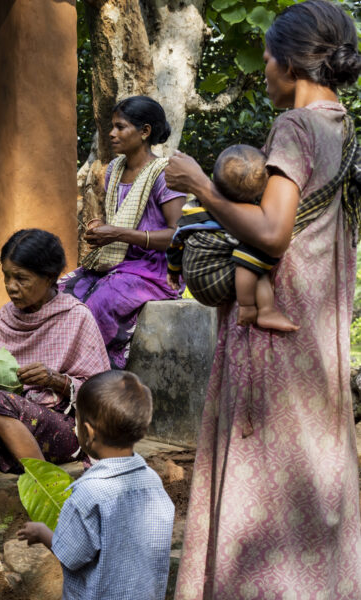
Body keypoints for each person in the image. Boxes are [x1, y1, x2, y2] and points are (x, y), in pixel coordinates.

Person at [165, 1, 361, 596]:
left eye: (270, 59)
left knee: (264, 465)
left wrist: (200, 185)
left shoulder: (296, 127)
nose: (267, 70)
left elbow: (273, 232)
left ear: (291, 62)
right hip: (317, 331)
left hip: (276, 325)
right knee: (315, 462)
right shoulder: (343, 128)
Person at [0, 229, 110, 562]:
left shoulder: (76, 317)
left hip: (64, 430)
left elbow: (101, 395)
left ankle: (50, 500)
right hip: (10, 420)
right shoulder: (6, 317)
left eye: (21, 278)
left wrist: (57, 381)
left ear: (49, 277)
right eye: (6, 277)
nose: (10, 286)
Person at [16, 370, 174, 600]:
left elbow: (71, 554)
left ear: (88, 432)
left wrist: (42, 533)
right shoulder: (152, 481)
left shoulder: (88, 494)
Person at [60, 96, 188, 368]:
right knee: (60, 295)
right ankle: (57, 367)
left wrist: (117, 233)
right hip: (117, 263)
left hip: (155, 270)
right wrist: (102, 229)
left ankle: (85, 374)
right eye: (112, 126)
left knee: (97, 306)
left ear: (144, 132)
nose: (111, 133)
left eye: (120, 127)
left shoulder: (166, 174)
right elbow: (120, 219)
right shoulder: (114, 170)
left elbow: (177, 237)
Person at [166, 145, 298, 330]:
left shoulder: (194, 208)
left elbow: (178, 239)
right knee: (256, 255)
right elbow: (258, 247)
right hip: (218, 283)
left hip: (193, 279)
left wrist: (173, 269)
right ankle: (260, 309)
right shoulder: (239, 220)